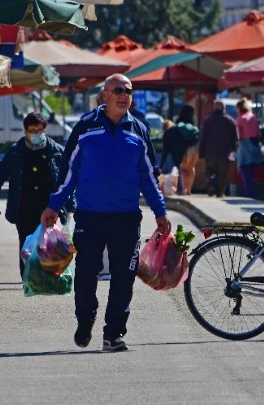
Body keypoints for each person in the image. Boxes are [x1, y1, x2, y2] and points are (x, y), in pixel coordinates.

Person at [41, 73, 171, 352]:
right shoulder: (86, 128)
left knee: (124, 276)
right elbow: (69, 172)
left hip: (126, 217)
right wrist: (54, 205)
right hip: (90, 215)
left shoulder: (138, 131)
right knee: (86, 273)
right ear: (105, 95)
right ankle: (85, 319)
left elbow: (148, 176)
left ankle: (113, 333)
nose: (125, 95)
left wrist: (160, 213)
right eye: (119, 90)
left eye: (129, 91)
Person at [0, 113, 73, 277]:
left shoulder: (57, 152)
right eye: (33, 130)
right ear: (25, 132)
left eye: (40, 130)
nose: (37, 134)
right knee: (26, 242)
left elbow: (68, 181)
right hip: (23, 205)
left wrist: (70, 207)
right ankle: (28, 278)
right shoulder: (16, 152)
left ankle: (49, 276)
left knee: (49, 242)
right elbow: (0, 172)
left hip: (49, 206)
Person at [199, 100, 237, 197]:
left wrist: (202, 152)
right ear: (224, 108)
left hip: (210, 152)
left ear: (214, 108)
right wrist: (232, 149)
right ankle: (220, 192)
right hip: (225, 152)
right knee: (223, 173)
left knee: (209, 170)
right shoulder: (230, 120)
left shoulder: (208, 120)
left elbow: (203, 137)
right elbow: (235, 138)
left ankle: (211, 185)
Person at [166, 105, 199, 195]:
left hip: (183, 149)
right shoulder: (192, 123)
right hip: (194, 148)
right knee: (191, 167)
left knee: (183, 168)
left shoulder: (178, 122)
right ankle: (189, 189)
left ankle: (184, 189)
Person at [235, 98, 264, 198]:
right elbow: (258, 133)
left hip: (244, 145)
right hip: (255, 144)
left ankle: (249, 193)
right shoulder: (254, 117)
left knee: (244, 170)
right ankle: (254, 192)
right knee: (252, 171)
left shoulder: (240, 119)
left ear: (238, 108)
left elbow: (239, 136)